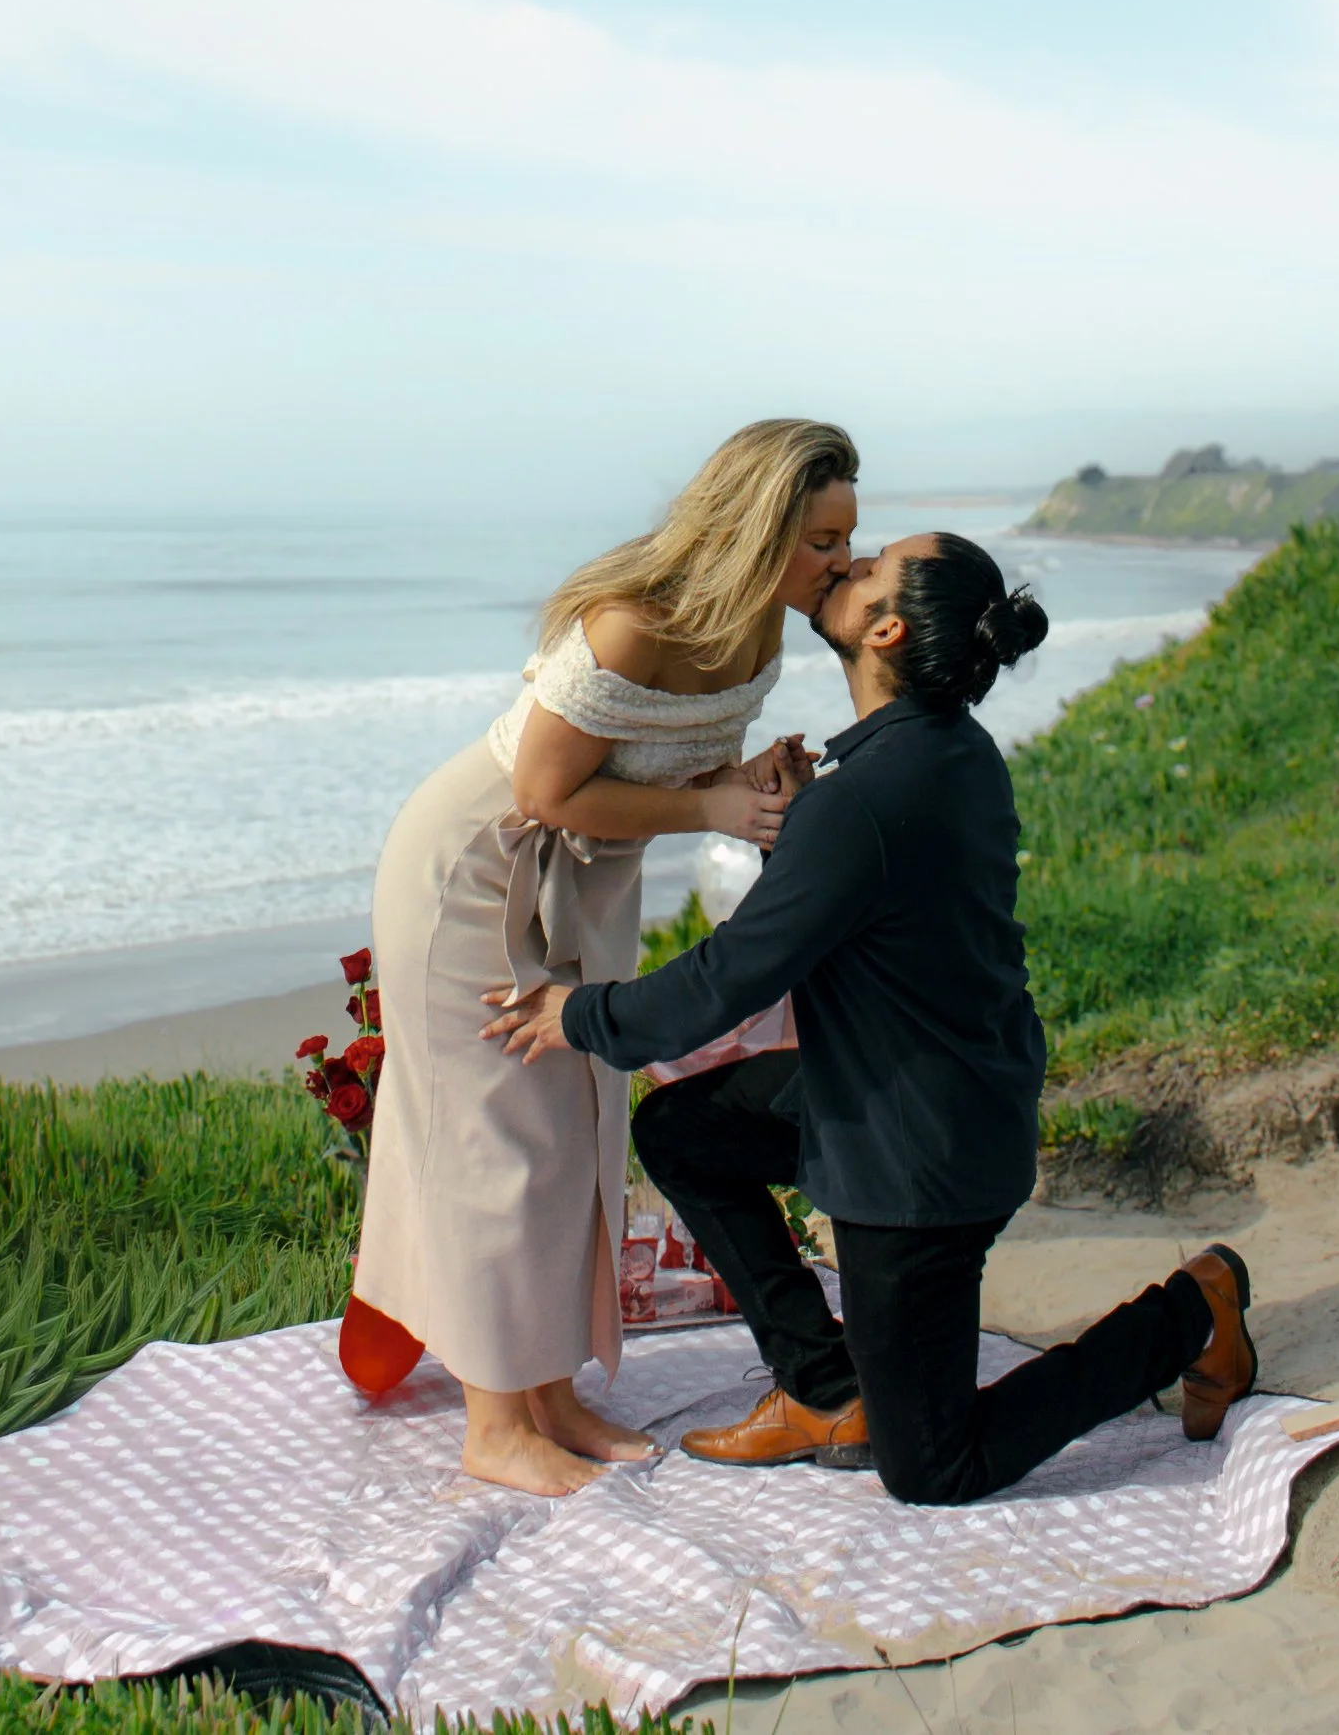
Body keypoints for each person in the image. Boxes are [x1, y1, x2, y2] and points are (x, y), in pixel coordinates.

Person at [483, 531, 1258, 1504]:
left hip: (921, 1156)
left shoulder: (872, 799)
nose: (842, 563)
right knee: (684, 1129)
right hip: (911, 1084)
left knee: (934, 1465)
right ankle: (823, 1383)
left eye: (866, 564)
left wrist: (578, 1013)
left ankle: (1193, 1310)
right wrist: (801, 827)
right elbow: (848, 916)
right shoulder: (946, 755)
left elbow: (729, 977)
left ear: (885, 627)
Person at [350, 417, 859, 1498]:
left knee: (575, 1132)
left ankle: (549, 1393)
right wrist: (713, 803)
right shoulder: (628, 624)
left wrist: (748, 778)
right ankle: (495, 1422)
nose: (843, 564)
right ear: (762, 528)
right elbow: (541, 788)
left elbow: (681, 757)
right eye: (822, 539)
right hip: (480, 872)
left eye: (847, 540)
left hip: (589, 881)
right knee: (492, 1138)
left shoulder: (758, 632)